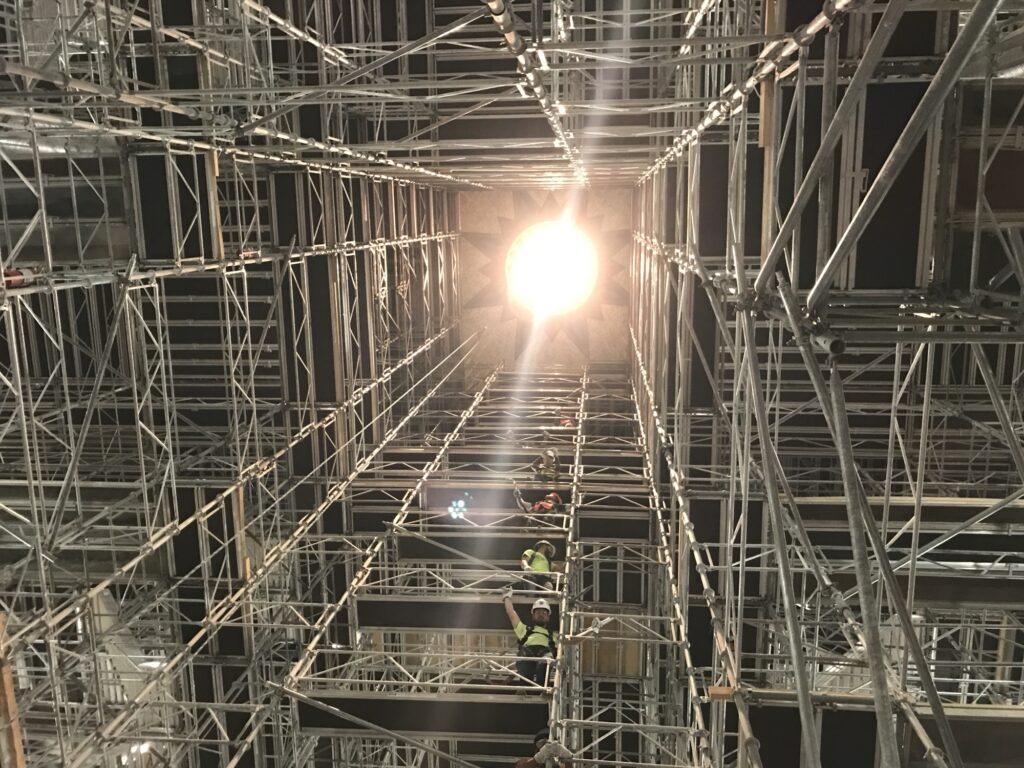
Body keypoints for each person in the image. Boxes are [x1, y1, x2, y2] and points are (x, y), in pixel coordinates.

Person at [501, 588, 576, 686]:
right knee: (525, 661)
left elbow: (567, 643)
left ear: (548, 616)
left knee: (545, 663)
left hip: (544, 654)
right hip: (527, 653)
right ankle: (525, 689)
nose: (541, 615)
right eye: (538, 613)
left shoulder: (554, 635)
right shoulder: (524, 630)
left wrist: (572, 608)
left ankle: (541, 689)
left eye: (544, 613)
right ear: (533, 615)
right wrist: (507, 597)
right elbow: (511, 614)